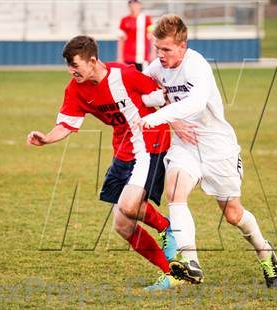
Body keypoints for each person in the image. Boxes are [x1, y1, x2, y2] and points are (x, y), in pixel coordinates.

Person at [26, 35, 184, 290]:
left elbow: (160, 96)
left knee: (130, 206)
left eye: (75, 65)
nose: (71, 71)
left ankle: (166, 228)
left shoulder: (125, 75)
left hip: (150, 141)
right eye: (68, 65)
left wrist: (159, 109)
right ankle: (171, 272)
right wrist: (46, 139)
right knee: (122, 224)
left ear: (92, 60)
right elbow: (66, 123)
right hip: (123, 149)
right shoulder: (76, 88)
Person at [136, 15, 277, 288]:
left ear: (183, 46)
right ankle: (191, 262)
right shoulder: (156, 68)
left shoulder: (197, 66)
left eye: (166, 49)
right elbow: (143, 94)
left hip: (217, 148)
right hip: (186, 147)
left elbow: (196, 101)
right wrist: (171, 119)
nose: (160, 55)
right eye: (157, 48)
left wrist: (158, 117)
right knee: (175, 192)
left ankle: (265, 251)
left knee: (233, 215)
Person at [117, 0, 154, 71]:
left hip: (142, 56)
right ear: (129, 6)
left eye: (136, 4)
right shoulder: (124, 20)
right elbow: (121, 39)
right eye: (132, 4)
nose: (134, 6)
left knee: (142, 77)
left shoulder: (147, 19)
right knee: (128, 78)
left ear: (140, 5)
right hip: (127, 56)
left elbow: (152, 37)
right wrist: (120, 57)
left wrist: (152, 52)